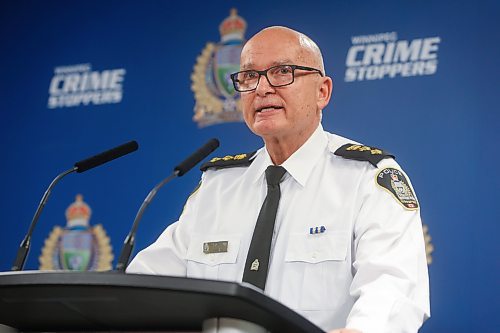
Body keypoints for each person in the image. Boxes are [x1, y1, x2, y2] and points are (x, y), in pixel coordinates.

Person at [127, 26, 430, 333]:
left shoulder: (366, 179)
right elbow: (147, 285)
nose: (261, 89)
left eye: (283, 72)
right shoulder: (218, 187)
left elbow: (393, 287)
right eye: (249, 76)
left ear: (322, 91)